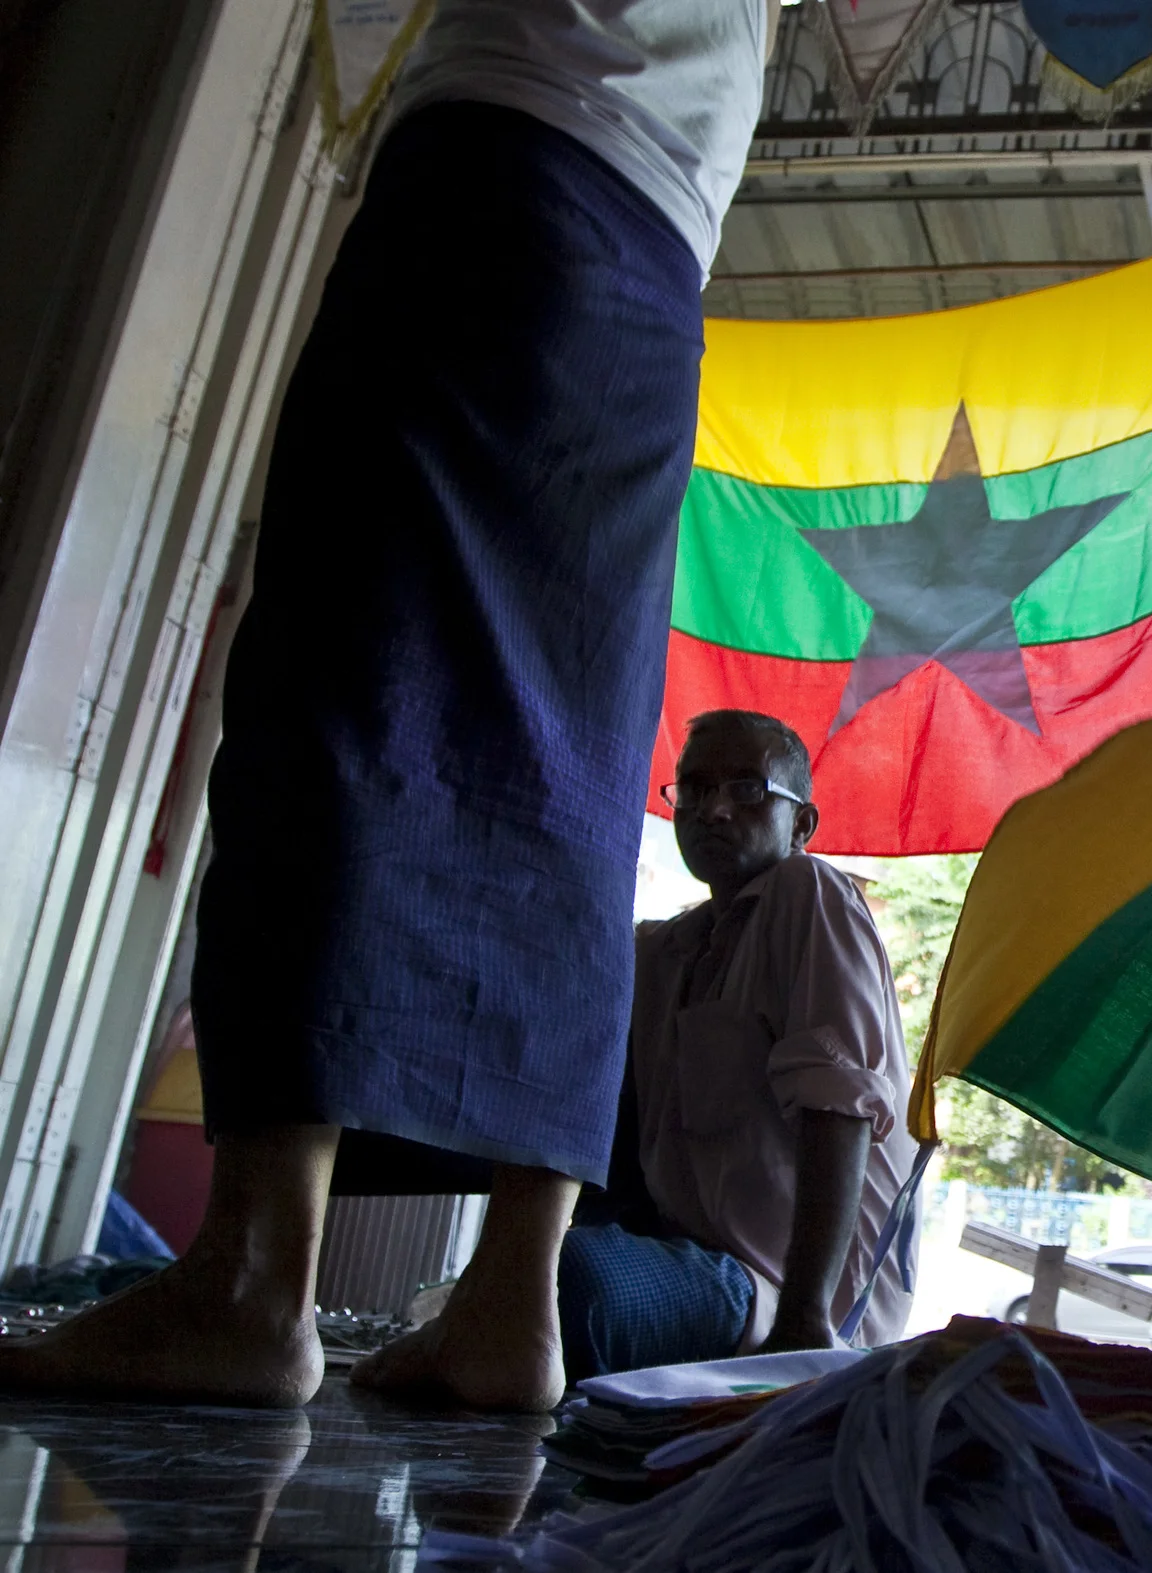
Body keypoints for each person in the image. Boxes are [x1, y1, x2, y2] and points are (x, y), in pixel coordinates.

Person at [0, 1, 776, 1409]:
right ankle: (512, 1308)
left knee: (340, 687)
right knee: (579, 770)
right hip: (660, 265)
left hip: (504, 164)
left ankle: (252, 1273)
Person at [559, 710, 916, 1378]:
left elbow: (837, 1108)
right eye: (693, 789)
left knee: (574, 1282)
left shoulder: (810, 894)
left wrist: (805, 1322)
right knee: (519, 1273)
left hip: (784, 1296)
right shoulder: (665, 950)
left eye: (748, 790)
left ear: (802, 825)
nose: (714, 809)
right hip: (691, 1260)